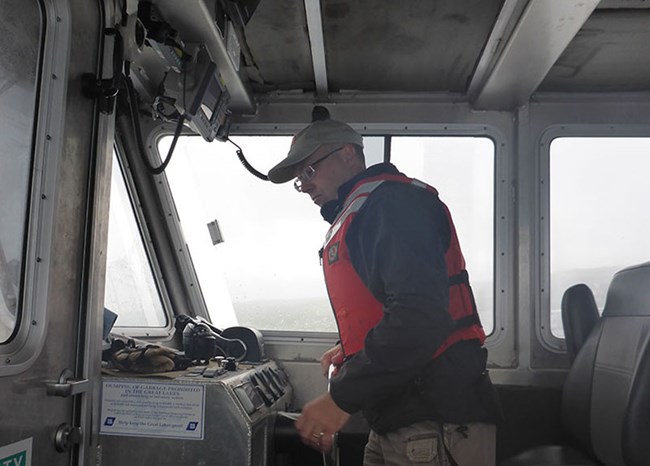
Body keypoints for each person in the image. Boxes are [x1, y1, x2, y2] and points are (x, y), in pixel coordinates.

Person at [267, 110, 502, 465]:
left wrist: (339, 398)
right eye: (300, 179)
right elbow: (395, 304)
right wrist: (352, 349)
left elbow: (419, 317)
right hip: (400, 418)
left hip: (436, 421)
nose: (306, 185)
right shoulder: (365, 210)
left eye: (310, 171)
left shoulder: (392, 204)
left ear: (348, 153)